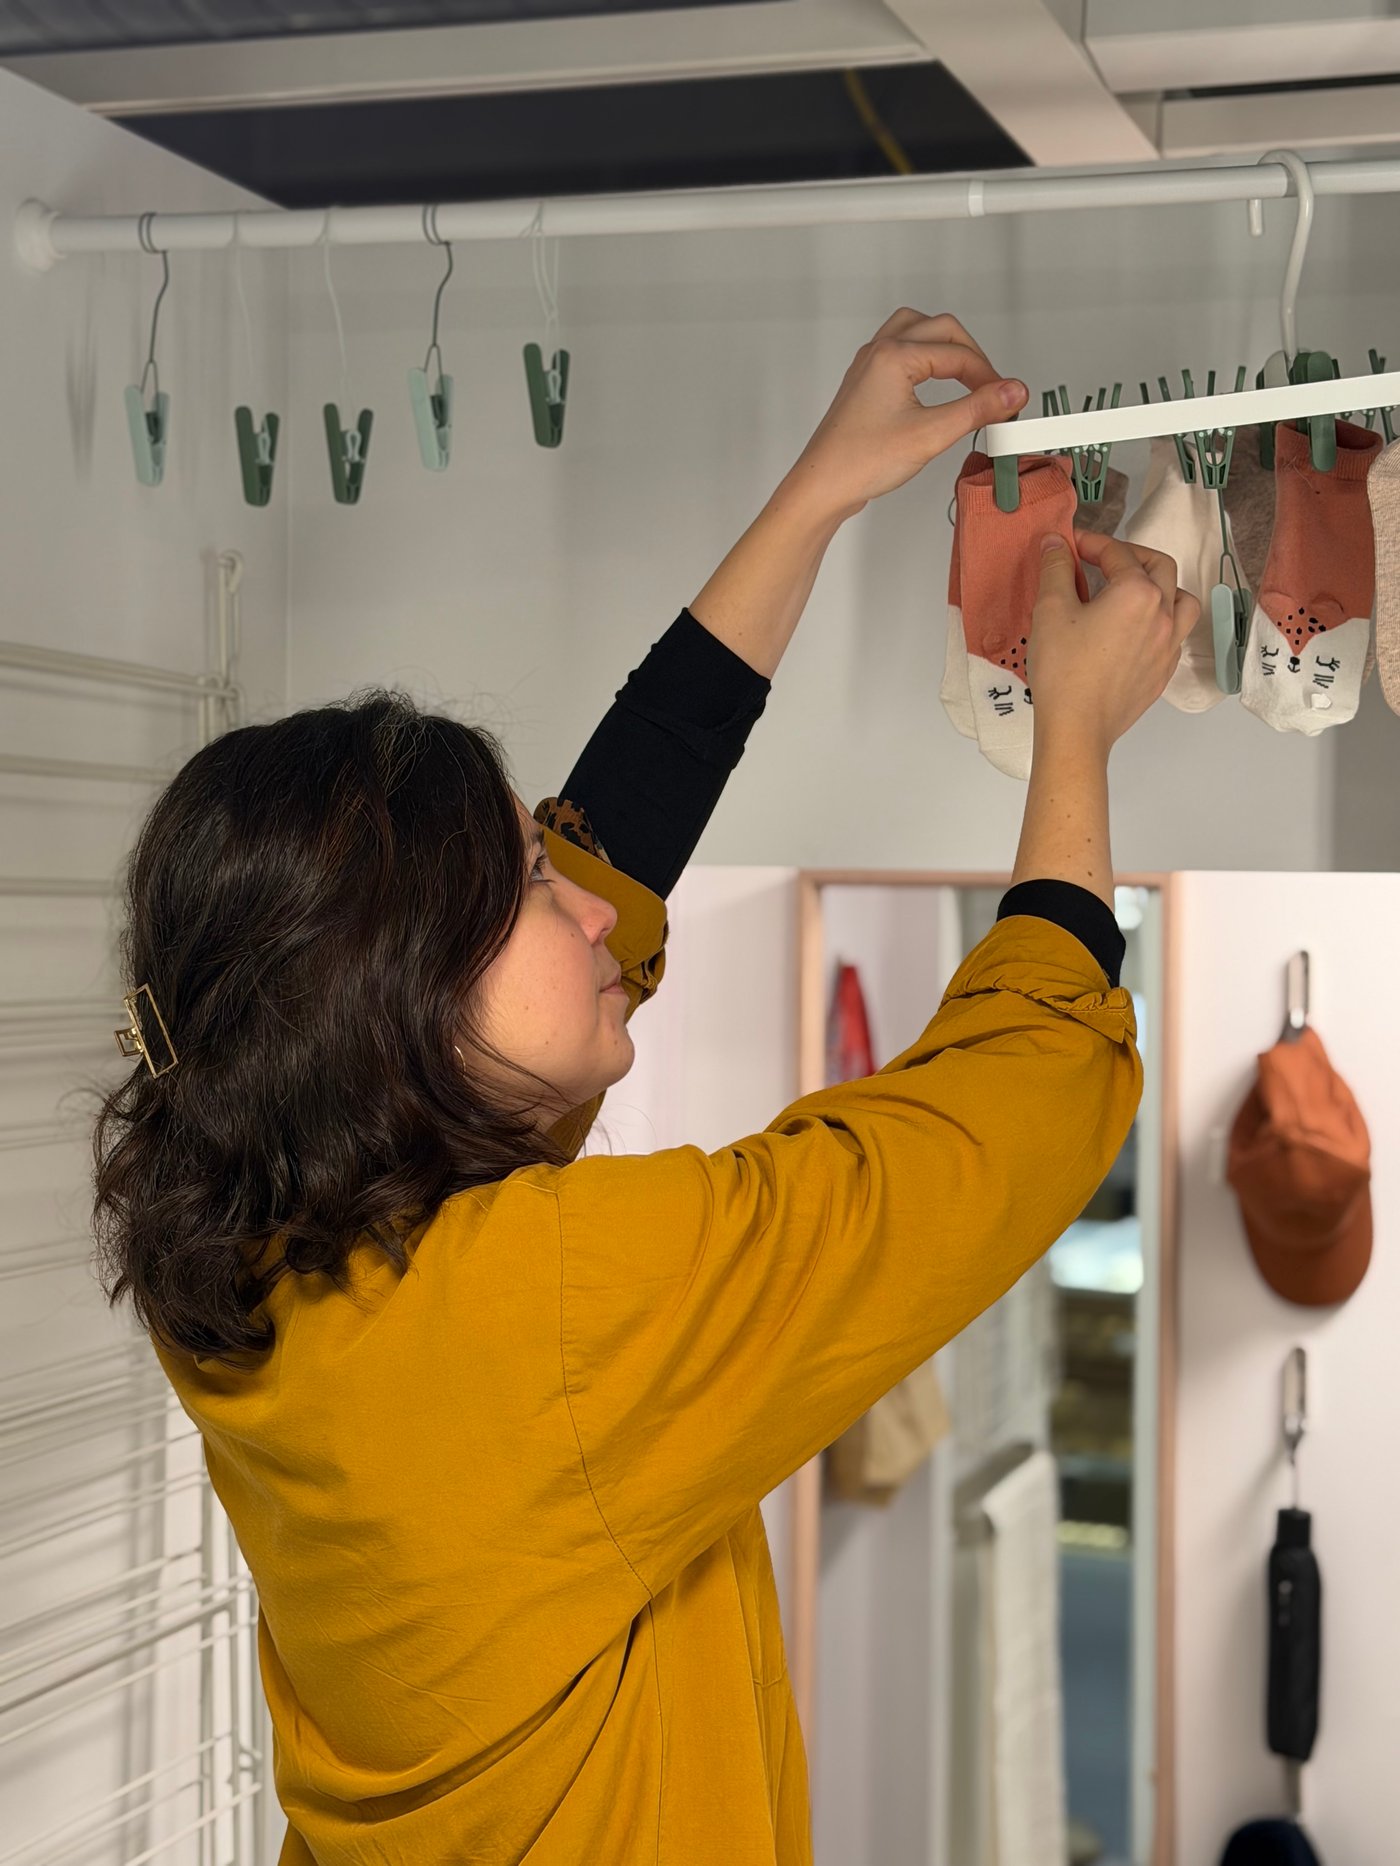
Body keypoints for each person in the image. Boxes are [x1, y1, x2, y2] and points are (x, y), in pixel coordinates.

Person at [94, 310, 1196, 1865]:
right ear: (400, 1013)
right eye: (535, 888)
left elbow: (618, 830)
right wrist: (1075, 736)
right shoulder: (544, 1310)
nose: (594, 905)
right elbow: (997, 1127)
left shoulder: (261, 1247)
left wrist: (819, 489)